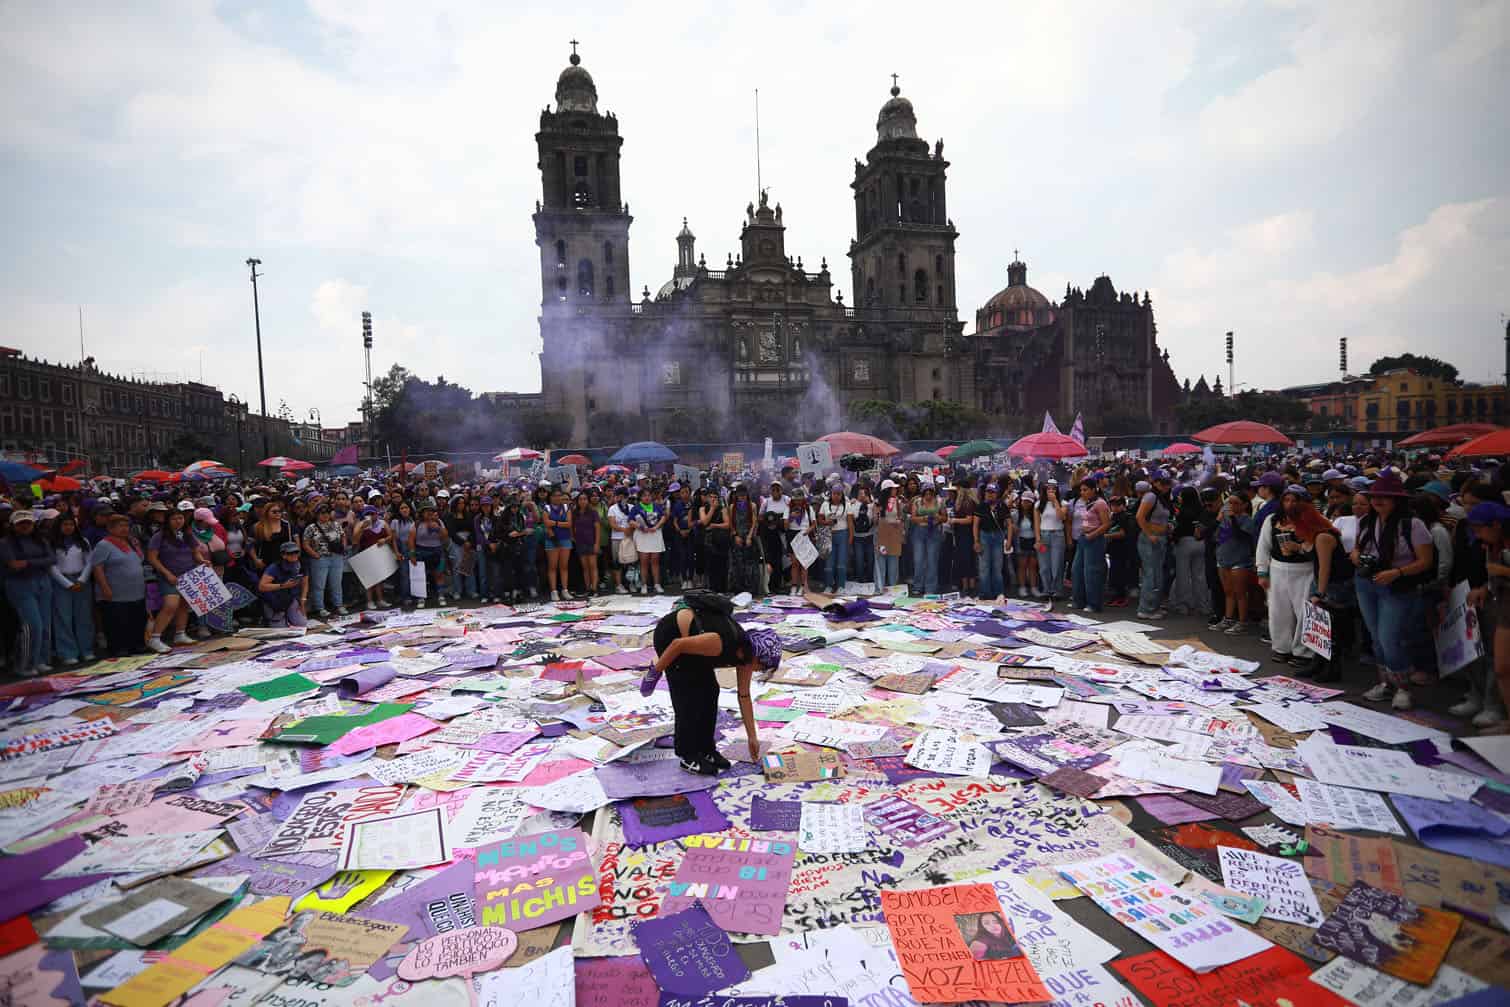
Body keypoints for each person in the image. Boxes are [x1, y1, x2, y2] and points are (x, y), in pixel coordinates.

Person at [639, 593, 782, 775]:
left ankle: (706, 749)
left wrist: (752, 738)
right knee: (688, 695)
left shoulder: (746, 657)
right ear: (756, 655)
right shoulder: (721, 643)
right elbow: (677, 645)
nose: (760, 671)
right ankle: (687, 755)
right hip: (671, 636)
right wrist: (655, 673)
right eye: (762, 666)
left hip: (694, 645)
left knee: (710, 691)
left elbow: (744, 696)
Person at [1350, 472, 1435, 711]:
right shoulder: (1366, 520)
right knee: (1376, 638)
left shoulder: (1412, 524)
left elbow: (1425, 561)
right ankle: (1385, 683)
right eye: (1375, 496)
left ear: (1397, 499)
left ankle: (1403, 687)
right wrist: (1356, 556)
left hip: (1397, 586)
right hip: (1367, 583)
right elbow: (1357, 548)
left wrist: (1397, 572)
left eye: (1385, 497)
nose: (1378, 501)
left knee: (1390, 638)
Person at [1467, 502, 1510, 733]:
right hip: (1504, 606)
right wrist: (1485, 587)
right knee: (1502, 667)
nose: (1477, 534)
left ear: (1496, 524)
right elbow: (1492, 575)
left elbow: (1499, 571)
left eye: (1479, 528)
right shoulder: (1491, 545)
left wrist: (1503, 572)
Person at [146, 505, 210, 653]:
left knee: (184, 605)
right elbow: (152, 558)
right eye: (174, 518)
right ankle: (155, 638)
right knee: (170, 605)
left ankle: (180, 633)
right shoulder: (159, 536)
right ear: (167, 520)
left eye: (180, 518)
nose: (178, 521)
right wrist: (166, 573)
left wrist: (202, 561)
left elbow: (196, 552)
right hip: (168, 576)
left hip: (188, 575)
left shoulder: (187, 534)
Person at [1, 510, 56, 674]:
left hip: (43, 582)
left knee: (45, 624)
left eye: (28, 523)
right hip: (19, 585)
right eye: (21, 523)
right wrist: (38, 563)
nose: (25, 526)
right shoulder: (5, 543)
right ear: (13, 525)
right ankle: (24, 664)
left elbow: (52, 559)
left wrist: (27, 563)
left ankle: (40, 660)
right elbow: (13, 565)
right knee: (33, 626)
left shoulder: (41, 540)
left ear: (33, 524)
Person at [91, 512, 147, 657]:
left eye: (126, 526)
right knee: (117, 622)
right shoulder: (104, 545)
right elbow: (97, 567)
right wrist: (104, 587)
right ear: (110, 528)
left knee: (136, 619)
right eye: (120, 526)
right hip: (115, 592)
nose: (124, 529)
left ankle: (137, 645)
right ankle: (119, 648)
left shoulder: (132, 542)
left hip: (136, 590)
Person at [49, 513, 96, 665]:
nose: (68, 527)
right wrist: (67, 584)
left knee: (84, 617)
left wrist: (82, 580)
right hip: (61, 582)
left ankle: (86, 650)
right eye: (65, 525)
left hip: (82, 580)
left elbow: (90, 562)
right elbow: (52, 567)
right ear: (59, 526)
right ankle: (67, 652)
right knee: (63, 618)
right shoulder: (52, 543)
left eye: (71, 524)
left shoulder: (83, 541)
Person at [1214, 494, 1258, 633]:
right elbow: (1216, 536)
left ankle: (1242, 621)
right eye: (1229, 503)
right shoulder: (1224, 519)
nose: (1231, 506)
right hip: (1223, 558)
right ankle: (1228, 618)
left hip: (1240, 559)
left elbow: (1241, 535)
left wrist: (1233, 518)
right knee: (1228, 591)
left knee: (1240, 592)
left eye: (1235, 503)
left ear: (1244, 504)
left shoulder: (1248, 520)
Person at [1069, 477, 1111, 612]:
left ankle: (1093, 603)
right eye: (1081, 490)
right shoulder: (1086, 502)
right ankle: (1079, 600)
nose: (1082, 492)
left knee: (1091, 572)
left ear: (1094, 489)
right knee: (1077, 570)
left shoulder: (1100, 503)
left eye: (1085, 490)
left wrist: (1092, 535)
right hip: (1083, 538)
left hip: (1094, 539)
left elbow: (1106, 524)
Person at [1135, 472, 1173, 619]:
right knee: (1151, 574)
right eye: (1162, 483)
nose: (1165, 486)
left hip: (1159, 538)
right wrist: (1150, 534)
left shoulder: (1161, 498)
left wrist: (1167, 527)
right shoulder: (1151, 496)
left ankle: (1153, 605)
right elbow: (1139, 516)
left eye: (1167, 483)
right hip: (1150, 539)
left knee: (1156, 574)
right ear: (1155, 483)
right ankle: (1146, 608)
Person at [1168, 486, 1210, 617]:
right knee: (1199, 576)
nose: (1179, 497)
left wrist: (1172, 537)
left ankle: (1183, 605)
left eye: (1181, 495)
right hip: (1201, 543)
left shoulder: (1182, 512)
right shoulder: (1202, 510)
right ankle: (1203, 605)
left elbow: (1178, 529)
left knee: (1183, 576)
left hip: (1184, 543)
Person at [302, 501, 347, 619]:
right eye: (322, 513)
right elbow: (305, 544)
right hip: (320, 558)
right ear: (317, 514)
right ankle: (320, 607)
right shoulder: (311, 527)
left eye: (327, 512)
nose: (325, 515)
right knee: (319, 585)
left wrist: (343, 547)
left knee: (337, 583)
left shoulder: (336, 524)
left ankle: (338, 605)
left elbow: (343, 535)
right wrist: (315, 555)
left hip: (336, 557)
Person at [258, 540, 309, 627]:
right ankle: (268, 617)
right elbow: (261, 586)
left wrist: (303, 601)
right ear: (283, 555)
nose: (294, 555)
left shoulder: (302, 564)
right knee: (280, 629)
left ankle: (288, 616)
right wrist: (283, 586)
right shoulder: (275, 567)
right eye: (290, 553)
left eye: (296, 552)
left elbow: (305, 583)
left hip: (291, 599)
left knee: (302, 624)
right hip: (275, 600)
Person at [973, 484, 1010, 600]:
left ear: (997, 494)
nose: (989, 494)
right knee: (984, 567)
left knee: (997, 566)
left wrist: (1008, 540)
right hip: (984, 535)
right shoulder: (981, 506)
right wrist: (976, 541)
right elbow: (975, 525)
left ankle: (998, 593)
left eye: (992, 492)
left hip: (998, 536)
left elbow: (1009, 524)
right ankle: (985, 593)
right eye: (988, 492)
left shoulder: (1002, 506)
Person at [1034, 482, 1068, 602]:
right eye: (1048, 489)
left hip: (1057, 535)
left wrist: (1055, 502)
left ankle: (1057, 590)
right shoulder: (1038, 504)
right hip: (1044, 535)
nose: (1051, 491)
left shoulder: (1063, 503)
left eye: (1053, 489)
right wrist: (1038, 539)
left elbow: (1061, 517)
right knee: (1044, 566)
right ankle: (1046, 590)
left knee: (1057, 565)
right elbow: (1037, 523)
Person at [818, 484, 854, 594]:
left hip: (843, 534)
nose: (836, 496)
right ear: (831, 494)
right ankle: (829, 585)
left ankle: (841, 586)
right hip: (829, 535)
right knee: (829, 562)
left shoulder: (847, 505)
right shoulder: (825, 504)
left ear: (842, 494)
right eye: (834, 494)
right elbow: (819, 520)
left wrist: (851, 537)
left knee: (841, 562)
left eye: (839, 494)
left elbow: (850, 522)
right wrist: (826, 522)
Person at [909, 484, 944, 596]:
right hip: (919, 531)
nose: (928, 495)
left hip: (934, 531)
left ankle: (931, 587)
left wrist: (938, 518)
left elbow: (945, 517)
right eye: (926, 493)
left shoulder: (939, 501)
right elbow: (913, 518)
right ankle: (918, 586)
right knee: (918, 560)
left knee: (932, 560)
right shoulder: (917, 502)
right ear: (923, 493)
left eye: (930, 493)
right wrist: (923, 518)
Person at [634, 486, 668, 595]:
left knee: (655, 561)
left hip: (655, 535)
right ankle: (644, 584)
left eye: (648, 495)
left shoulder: (656, 506)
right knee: (644, 562)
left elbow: (663, 517)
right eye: (644, 496)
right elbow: (630, 521)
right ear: (640, 498)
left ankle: (657, 584)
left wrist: (656, 526)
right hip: (643, 536)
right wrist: (641, 527)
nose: (647, 497)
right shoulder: (636, 507)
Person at [1104, 496, 1137, 607]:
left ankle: (1122, 597)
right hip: (1114, 549)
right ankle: (1116, 596)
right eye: (1112, 505)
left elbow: (1123, 533)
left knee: (1121, 574)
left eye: (1117, 505)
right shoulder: (1114, 516)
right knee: (1114, 573)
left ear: (1123, 505)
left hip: (1123, 549)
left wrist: (1106, 535)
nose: (1114, 507)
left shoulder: (1126, 517)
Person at [542, 486, 573, 601]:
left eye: (559, 495)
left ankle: (565, 590)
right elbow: (546, 523)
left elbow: (569, 524)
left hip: (565, 538)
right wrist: (561, 523)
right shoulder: (546, 508)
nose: (557, 498)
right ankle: (553, 591)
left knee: (564, 566)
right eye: (554, 496)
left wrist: (554, 523)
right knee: (552, 566)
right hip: (552, 539)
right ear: (550, 498)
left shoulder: (566, 507)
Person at [948, 481, 978, 597]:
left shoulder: (967, 503)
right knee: (965, 560)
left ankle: (968, 586)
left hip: (966, 534)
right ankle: (968, 586)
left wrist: (954, 520)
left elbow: (969, 519)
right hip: (962, 534)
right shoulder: (964, 502)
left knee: (967, 560)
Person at [875, 480, 906, 591]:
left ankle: (893, 588)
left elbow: (900, 516)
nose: (895, 490)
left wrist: (899, 524)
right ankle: (880, 588)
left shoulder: (897, 501)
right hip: (881, 535)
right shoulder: (877, 503)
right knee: (881, 562)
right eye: (893, 488)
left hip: (894, 534)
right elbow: (875, 519)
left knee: (893, 562)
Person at [607, 487, 637, 594]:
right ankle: (619, 585)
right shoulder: (612, 509)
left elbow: (636, 520)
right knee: (617, 562)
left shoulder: (632, 507)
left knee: (631, 561)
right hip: (617, 538)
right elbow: (612, 524)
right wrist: (624, 529)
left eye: (624, 496)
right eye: (619, 496)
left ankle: (631, 583)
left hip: (630, 538)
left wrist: (631, 529)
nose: (621, 498)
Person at [572, 490, 601, 597]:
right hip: (580, 542)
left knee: (593, 566)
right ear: (577, 501)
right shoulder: (575, 513)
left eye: (584, 499)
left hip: (591, 541)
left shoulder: (593, 512)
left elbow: (597, 528)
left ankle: (594, 588)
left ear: (588, 501)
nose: (582, 501)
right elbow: (572, 527)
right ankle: (588, 588)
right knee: (585, 567)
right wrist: (573, 537)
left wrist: (597, 543)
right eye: (580, 499)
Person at [785, 489, 813, 596]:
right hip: (792, 535)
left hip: (803, 535)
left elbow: (814, 524)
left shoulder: (808, 508)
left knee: (803, 563)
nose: (797, 502)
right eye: (796, 500)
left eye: (799, 499)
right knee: (795, 563)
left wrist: (808, 531)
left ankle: (802, 586)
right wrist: (791, 517)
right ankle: (793, 586)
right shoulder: (788, 508)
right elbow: (785, 526)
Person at [1015, 488, 1039, 598]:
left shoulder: (1035, 514)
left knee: (1033, 565)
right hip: (1021, 541)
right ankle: (1022, 587)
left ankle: (1034, 587)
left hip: (1033, 540)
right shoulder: (1016, 514)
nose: (1026, 503)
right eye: (1024, 500)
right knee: (1022, 565)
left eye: (1029, 501)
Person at [851, 485, 876, 590]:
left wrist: (870, 503)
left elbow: (874, 520)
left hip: (869, 536)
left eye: (864, 493)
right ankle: (860, 580)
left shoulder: (872, 505)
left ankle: (870, 579)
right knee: (859, 559)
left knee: (871, 559)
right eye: (860, 493)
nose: (862, 495)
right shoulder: (853, 505)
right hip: (858, 537)